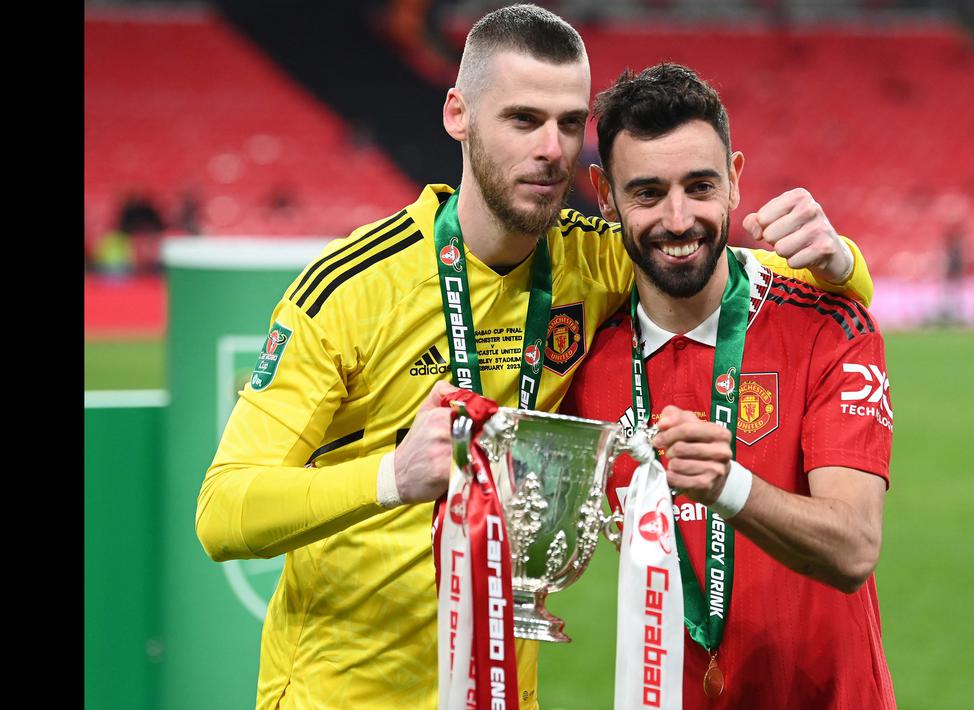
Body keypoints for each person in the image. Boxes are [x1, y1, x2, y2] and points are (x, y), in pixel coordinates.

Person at [194, 5, 877, 709]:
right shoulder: (350, 290)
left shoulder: (594, 257)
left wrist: (842, 259)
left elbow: (742, 268)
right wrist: (393, 476)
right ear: (457, 115)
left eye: (569, 122)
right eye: (522, 120)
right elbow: (222, 512)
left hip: (501, 690)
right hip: (342, 694)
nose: (552, 149)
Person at [562, 63, 895, 707]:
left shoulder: (828, 323)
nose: (679, 219)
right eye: (648, 192)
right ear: (603, 194)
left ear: (736, 180)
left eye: (701, 185)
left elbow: (855, 547)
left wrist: (727, 485)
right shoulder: (577, 356)